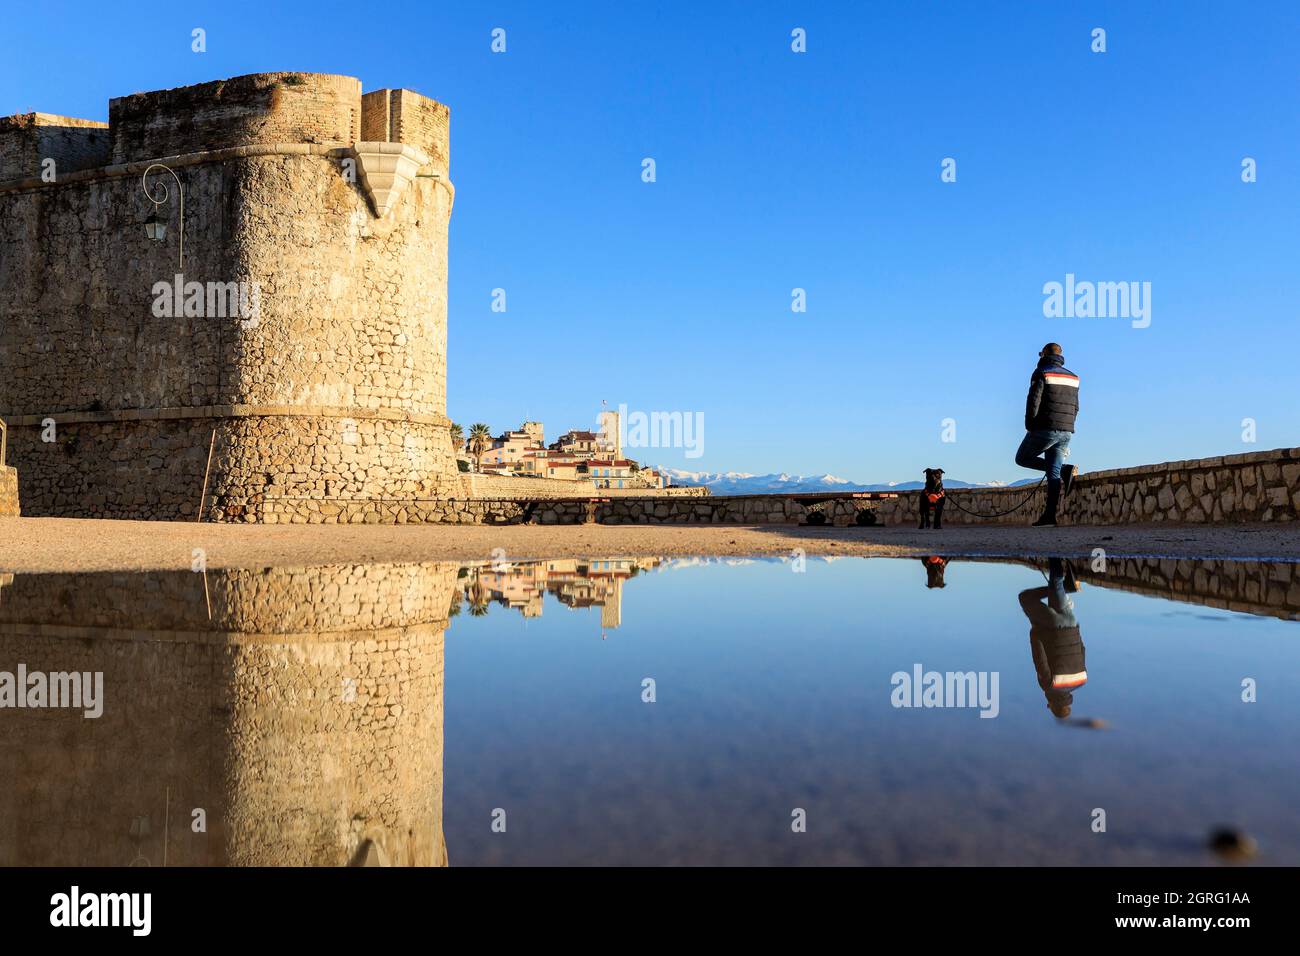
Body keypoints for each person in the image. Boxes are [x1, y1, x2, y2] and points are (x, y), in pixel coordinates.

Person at [1015, 342, 1079, 527]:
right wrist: (1068, 425)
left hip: (1045, 429)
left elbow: (1033, 400)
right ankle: (1049, 516)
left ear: (1043, 354)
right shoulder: (1074, 377)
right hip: (1066, 430)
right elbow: (1076, 406)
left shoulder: (1042, 373)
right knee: (1053, 473)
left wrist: (1029, 424)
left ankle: (1064, 470)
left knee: (1022, 458)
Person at [1018, 559, 1086, 719]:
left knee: (1057, 588)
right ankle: (1054, 552)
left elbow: (1082, 649)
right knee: (1025, 598)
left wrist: (1075, 630)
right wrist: (1034, 633)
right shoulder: (1049, 686)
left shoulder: (1082, 679)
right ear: (1052, 705)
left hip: (1071, 625)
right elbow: (1039, 657)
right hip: (1052, 627)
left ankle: (1067, 586)